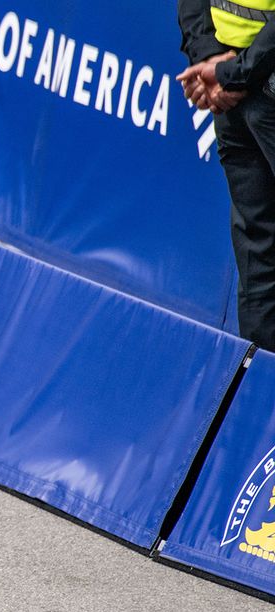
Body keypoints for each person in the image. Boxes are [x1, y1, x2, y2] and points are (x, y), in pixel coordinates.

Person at [178, 0, 275, 350]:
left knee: (258, 249)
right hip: (249, 86)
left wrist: (213, 61)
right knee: (258, 250)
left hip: (235, 87)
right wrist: (225, 70)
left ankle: (260, 389)